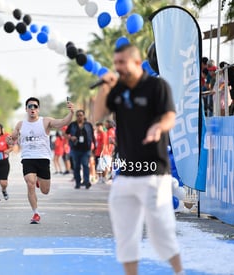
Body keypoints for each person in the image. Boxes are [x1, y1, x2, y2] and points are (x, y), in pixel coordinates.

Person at [93, 43, 184, 275]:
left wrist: (158, 128)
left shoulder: (157, 86)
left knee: (161, 233)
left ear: (135, 62)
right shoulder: (118, 89)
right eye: (116, 64)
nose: (118, 68)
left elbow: (169, 117)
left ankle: (178, 271)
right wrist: (105, 89)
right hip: (127, 173)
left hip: (154, 173)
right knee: (125, 235)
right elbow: (97, 115)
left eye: (122, 63)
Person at [7, 97, 74, 224]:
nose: (32, 109)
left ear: (38, 109)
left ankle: (39, 180)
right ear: (26, 109)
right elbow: (13, 138)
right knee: (30, 183)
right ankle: (35, 213)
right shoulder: (20, 124)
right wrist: (10, 141)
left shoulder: (46, 121)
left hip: (43, 158)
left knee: (45, 191)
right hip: (27, 158)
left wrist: (71, 113)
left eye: (35, 106)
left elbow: (63, 122)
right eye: (30, 106)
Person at [65, 110, 95, 189]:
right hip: (75, 149)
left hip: (86, 150)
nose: (79, 117)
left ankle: (86, 182)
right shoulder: (72, 125)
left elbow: (92, 136)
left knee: (85, 165)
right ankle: (78, 183)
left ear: (84, 116)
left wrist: (94, 147)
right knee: (76, 166)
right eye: (78, 115)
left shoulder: (88, 125)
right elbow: (65, 133)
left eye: (81, 115)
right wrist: (71, 137)